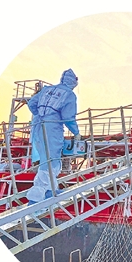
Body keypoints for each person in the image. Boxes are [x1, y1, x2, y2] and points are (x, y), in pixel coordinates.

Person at [26, 69, 81, 206]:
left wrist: (40, 114)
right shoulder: (69, 95)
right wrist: (76, 132)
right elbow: (68, 117)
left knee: (45, 157)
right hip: (52, 127)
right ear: (73, 82)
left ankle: (51, 189)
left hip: (38, 125)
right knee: (51, 159)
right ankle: (36, 196)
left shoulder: (46, 90)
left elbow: (31, 103)